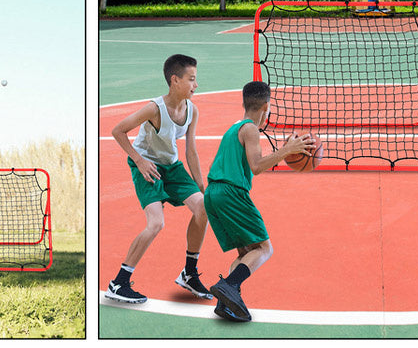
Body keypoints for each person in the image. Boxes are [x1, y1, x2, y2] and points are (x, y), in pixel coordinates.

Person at [203, 81, 315, 322]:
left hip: (213, 194)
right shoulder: (251, 129)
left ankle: (226, 304)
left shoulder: (234, 128)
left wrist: (286, 148)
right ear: (266, 106)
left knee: (247, 252)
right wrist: (288, 151)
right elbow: (256, 166)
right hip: (231, 193)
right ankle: (229, 287)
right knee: (264, 248)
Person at [105, 54, 212, 304]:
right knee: (156, 224)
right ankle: (118, 282)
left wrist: (199, 183)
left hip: (172, 166)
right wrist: (139, 160)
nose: (196, 85)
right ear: (175, 80)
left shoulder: (191, 110)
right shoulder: (155, 108)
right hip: (147, 166)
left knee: (203, 208)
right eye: (191, 79)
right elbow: (117, 130)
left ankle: (189, 273)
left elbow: (191, 150)